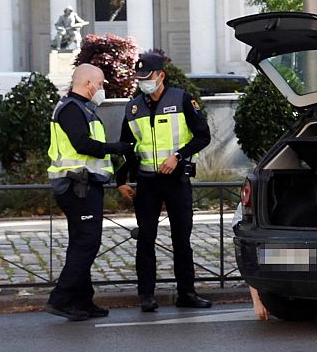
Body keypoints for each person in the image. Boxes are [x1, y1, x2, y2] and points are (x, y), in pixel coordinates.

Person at [116, 51, 213, 312]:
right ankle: (146, 295)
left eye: (147, 77)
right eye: (139, 78)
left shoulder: (182, 99)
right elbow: (128, 146)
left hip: (176, 181)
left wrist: (179, 156)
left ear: (161, 75)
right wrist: (121, 180)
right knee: (146, 239)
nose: (142, 82)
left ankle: (187, 293)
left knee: (181, 239)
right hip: (147, 183)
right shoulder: (133, 107)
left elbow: (203, 136)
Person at [44, 64, 133, 321]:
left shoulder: (83, 108)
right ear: (89, 84)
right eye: (101, 84)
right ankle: (60, 299)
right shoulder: (72, 109)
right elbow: (82, 144)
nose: (102, 89)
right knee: (87, 243)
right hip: (76, 186)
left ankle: (82, 301)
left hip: (85, 185)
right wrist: (117, 148)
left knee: (81, 244)